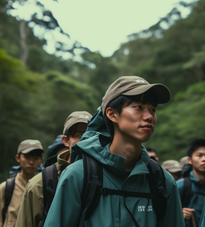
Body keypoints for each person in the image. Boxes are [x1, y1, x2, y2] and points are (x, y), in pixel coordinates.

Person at [44, 76, 185, 227]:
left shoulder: (162, 182)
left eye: (152, 109)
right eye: (138, 107)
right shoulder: (78, 177)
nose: (149, 116)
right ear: (112, 114)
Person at [15, 111, 92, 227]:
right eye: (79, 135)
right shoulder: (39, 185)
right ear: (66, 140)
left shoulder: (106, 179)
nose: (85, 140)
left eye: (90, 134)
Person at [0, 139, 44, 227]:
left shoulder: (44, 188)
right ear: (17, 158)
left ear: (41, 160)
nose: (31, 162)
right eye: (27, 157)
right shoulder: (5, 188)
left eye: (35, 158)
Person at [176, 138, 205, 227]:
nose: (204, 159)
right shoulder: (181, 186)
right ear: (189, 160)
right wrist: (178, 216)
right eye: (199, 155)